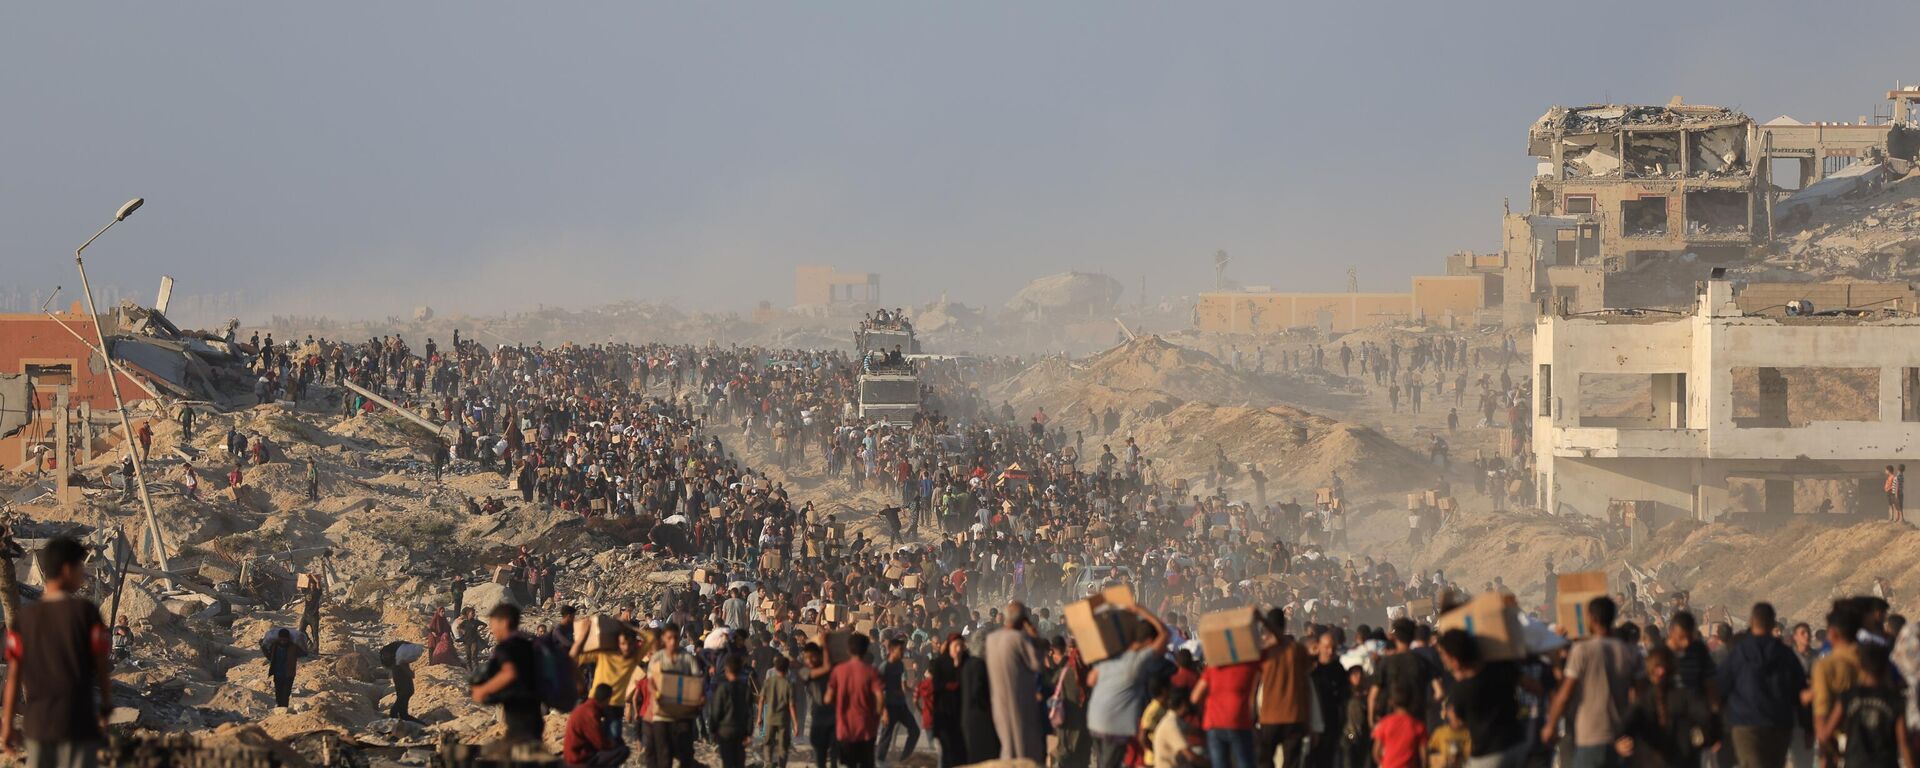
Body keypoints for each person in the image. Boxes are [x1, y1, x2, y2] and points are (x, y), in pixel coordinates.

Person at [0, 537, 113, 768]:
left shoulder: (24, 620)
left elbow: (14, 675)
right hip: (77, 723)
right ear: (66, 570)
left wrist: (7, 726)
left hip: (38, 727)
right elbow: (101, 664)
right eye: (80, 567)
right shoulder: (86, 613)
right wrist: (105, 708)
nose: (82, 574)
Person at [1541, 596, 1641, 768]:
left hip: (1591, 736)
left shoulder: (1583, 650)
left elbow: (1565, 694)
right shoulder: (1630, 652)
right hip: (1621, 735)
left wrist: (1550, 726)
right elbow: (1639, 696)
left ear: (1592, 619)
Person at [1717, 603, 1805, 768]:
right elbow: (1801, 691)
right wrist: (1808, 726)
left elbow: (1720, 688)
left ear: (1751, 622)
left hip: (1746, 725)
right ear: (1773, 623)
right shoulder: (1785, 654)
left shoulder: (1739, 652)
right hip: (1779, 724)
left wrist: (1716, 726)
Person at [1085, 603, 1171, 768]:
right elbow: (1165, 634)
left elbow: (1090, 680)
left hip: (1094, 720)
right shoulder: (1137, 661)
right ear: (1148, 642)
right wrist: (1141, 610)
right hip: (1114, 724)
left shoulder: (1112, 657)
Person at [1435, 629, 1524, 768]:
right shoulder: (1500, 669)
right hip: (1518, 744)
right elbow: (1533, 685)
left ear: (1455, 660)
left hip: (1487, 755)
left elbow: (1456, 724)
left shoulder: (1461, 690)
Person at [1819, 644, 1909, 768]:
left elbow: (1825, 734)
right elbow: (1904, 741)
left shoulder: (1848, 696)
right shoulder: (1894, 700)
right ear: (1886, 668)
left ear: (1860, 667)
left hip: (1855, 763)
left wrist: (1837, 754)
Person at [469, 603, 543, 747]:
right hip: (534, 714)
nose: (491, 629)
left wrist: (482, 691)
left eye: (493, 624)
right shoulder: (528, 644)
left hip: (519, 718)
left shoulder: (507, 647)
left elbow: (510, 673)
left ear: (504, 622)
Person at [1256, 607, 1315, 768]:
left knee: (1265, 762)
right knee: (1292, 763)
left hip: (1269, 717)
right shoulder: (1296, 650)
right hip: (1295, 717)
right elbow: (1307, 683)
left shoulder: (1264, 654)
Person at [1192, 631, 1260, 768]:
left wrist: (1204, 712)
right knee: (1244, 763)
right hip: (1239, 721)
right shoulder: (1248, 667)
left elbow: (1195, 697)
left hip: (1214, 723)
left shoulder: (1213, 668)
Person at [986, 602, 1045, 760]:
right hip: (1020, 701)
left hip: (998, 702)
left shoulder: (991, 639)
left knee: (1007, 746)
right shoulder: (1020, 639)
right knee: (1024, 748)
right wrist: (1035, 636)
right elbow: (1038, 664)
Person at [644, 623, 702, 768]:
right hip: (662, 715)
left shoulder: (687, 659)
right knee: (664, 756)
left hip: (684, 715)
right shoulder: (657, 658)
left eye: (675, 638)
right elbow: (650, 682)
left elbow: (697, 681)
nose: (673, 642)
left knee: (686, 755)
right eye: (669, 638)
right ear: (664, 639)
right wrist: (656, 695)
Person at [825, 632, 883, 768]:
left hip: (845, 729)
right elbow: (880, 697)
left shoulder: (838, 671)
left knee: (850, 764)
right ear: (866, 649)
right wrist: (877, 717)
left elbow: (828, 698)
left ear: (848, 650)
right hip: (867, 728)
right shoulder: (871, 671)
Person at [876, 637, 920, 764]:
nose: (902, 652)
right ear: (891, 650)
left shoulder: (900, 665)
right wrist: (883, 712)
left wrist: (914, 690)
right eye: (900, 650)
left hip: (901, 705)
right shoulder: (885, 667)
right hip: (889, 706)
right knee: (886, 737)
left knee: (915, 731)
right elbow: (879, 691)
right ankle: (879, 761)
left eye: (903, 649)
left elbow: (903, 686)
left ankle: (904, 759)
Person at [565, 684, 631, 768]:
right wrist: (612, 744)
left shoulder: (586, 706)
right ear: (606, 699)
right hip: (578, 759)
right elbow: (599, 743)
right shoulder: (590, 713)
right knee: (623, 750)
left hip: (575, 754)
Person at [707, 655, 754, 768]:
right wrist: (749, 732)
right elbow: (749, 713)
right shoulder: (746, 689)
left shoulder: (723, 688)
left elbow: (716, 711)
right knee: (739, 762)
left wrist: (712, 730)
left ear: (726, 670)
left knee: (728, 762)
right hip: (740, 731)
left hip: (725, 731)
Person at [1373, 685, 1429, 768]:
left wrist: (1384, 764)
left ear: (1391, 702)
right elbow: (1424, 757)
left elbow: (1376, 752)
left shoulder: (1384, 723)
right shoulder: (1418, 726)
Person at [759, 654, 797, 768]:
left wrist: (759, 717)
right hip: (783, 720)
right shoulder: (788, 684)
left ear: (775, 667)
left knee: (768, 743)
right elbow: (791, 705)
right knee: (783, 746)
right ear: (787, 668)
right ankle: (782, 765)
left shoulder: (768, 681)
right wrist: (795, 723)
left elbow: (761, 700)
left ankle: (768, 763)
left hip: (769, 718)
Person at [265, 629, 302, 709]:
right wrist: (263, 648)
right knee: (278, 695)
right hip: (277, 674)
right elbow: (269, 656)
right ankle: (280, 710)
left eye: (285, 639)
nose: (283, 641)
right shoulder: (274, 646)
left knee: (285, 695)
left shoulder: (293, 647)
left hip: (289, 675)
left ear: (288, 639)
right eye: (281, 639)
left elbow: (303, 653)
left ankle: (284, 711)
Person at [298, 572, 324, 654]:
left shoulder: (318, 593)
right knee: (301, 630)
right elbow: (301, 585)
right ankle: (309, 644)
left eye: (313, 584)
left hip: (314, 616)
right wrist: (306, 577)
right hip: (306, 615)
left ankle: (315, 650)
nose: (312, 586)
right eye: (311, 584)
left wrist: (313, 576)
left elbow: (318, 582)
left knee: (315, 634)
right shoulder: (306, 591)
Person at [388, 649, 417, 722]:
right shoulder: (401, 660)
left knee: (403, 699)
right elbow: (408, 671)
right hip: (404, 684)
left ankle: (401, 715)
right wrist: (411, 673)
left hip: (402, 684)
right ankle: (396, 715)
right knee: (403, 697)